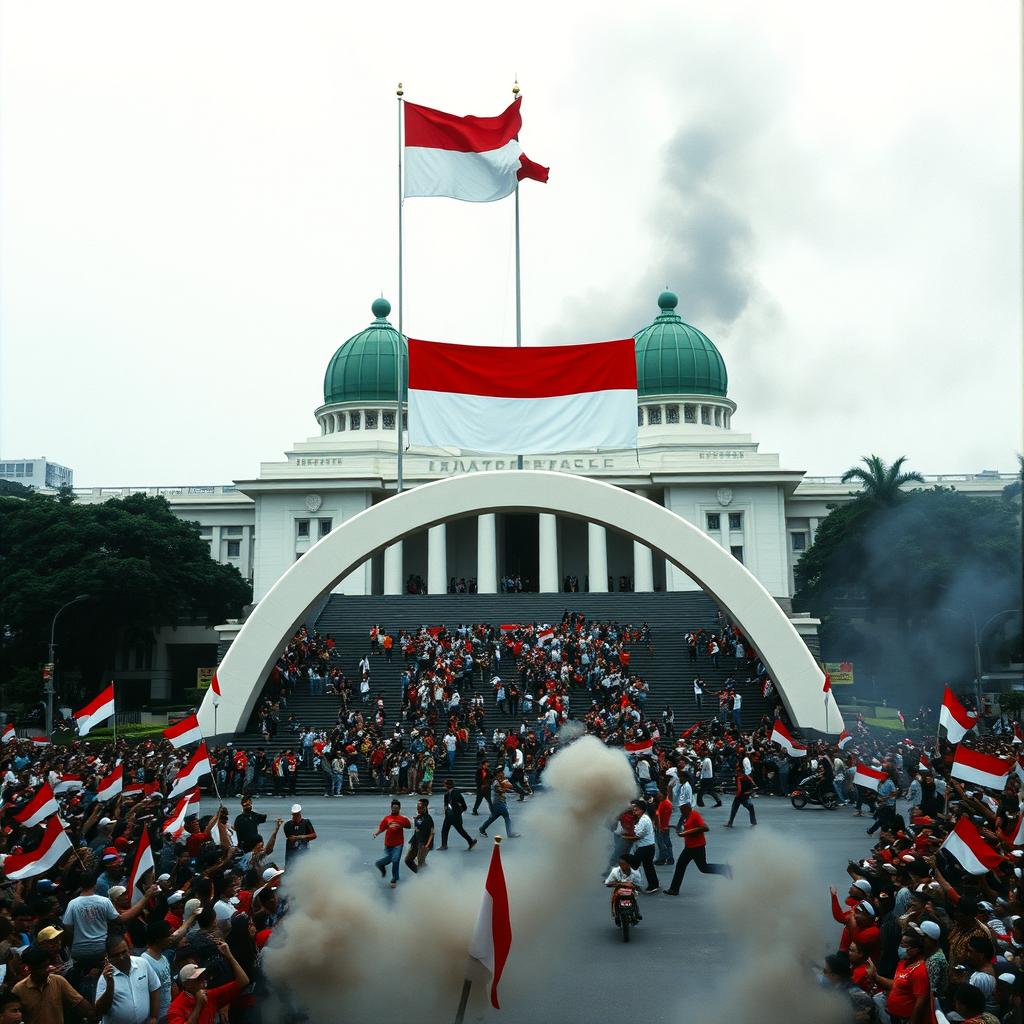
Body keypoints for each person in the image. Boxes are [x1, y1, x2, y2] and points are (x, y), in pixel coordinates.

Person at [166, 939, 249, 1024]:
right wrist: (199, 1005)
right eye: (198, 978)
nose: (203, 979)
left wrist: (229, 956)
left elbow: (243, 982)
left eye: (202, 975)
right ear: (187, 984)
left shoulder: (211, 995)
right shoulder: (176, 1007)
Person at [663, 800, 732, 896]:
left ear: (688, 808)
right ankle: (674, 889)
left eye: (682, 809)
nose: (680, 811)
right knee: (681, 866)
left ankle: (725, 869)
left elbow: (705, 827)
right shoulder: (685, 816)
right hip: (689, 847)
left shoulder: (694, 815)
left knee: (703, 868)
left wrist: (687, 833)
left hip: (697, 847)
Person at [94, 933, 161, 1024]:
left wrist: (153, 1017)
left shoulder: (142, 963)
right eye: (116, 955)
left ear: (129, 950)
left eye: (124, 952)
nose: (121, 957)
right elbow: (101, 1010)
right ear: (108, 957)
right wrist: (110, 985)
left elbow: (154, 987)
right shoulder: (105, 978)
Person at [867, 927, 931, 1024]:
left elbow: (921, 1001)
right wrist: (875, 977)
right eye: (900, 944)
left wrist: (912, 1022)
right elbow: (896, 984)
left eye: (904, 945)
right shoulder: (903, 963)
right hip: (895, 1016)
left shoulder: (920, 970)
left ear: (916, 949)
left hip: (906, 1019)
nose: (900, 947)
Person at [13, 946, 92, 1024]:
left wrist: (93, 1014)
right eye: (41, 968)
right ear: (31, 969)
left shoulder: (58, 981)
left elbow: (79, 1003)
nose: (46, 971)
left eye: (46, 966)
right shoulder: (19, 989)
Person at [622, 799, 660, 894]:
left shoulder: (643, 820)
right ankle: (653, 885)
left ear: (642, 810)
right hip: (648, 846)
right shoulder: (643, 818)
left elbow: (636, 836)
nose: (634, 811)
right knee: (648, 866)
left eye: (636, 809)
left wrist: (624, 837)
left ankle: (634, 884)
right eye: (634, 809)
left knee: (632, 863)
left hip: (645, 847)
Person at [373, 800, 412, 888]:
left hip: (398, 843)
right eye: (393, 808)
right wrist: (376, 833)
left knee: (395, 860)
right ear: (391, 808)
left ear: (399, 808)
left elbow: (409, 826)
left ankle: (394, 878)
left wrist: (403, 824)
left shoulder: (402, 818)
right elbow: (382, 828)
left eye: (397, 808)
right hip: (388, 843)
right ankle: (380, 864)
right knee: (390, 859)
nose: (395, 809)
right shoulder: (387, 818)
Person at [440, 779, 477, 851]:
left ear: (448, 785)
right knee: (445, 830)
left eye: (445, 784)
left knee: (460, 830)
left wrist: (458, 812)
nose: (444, 786)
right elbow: (446, 804)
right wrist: (446, 810)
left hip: (455, 816)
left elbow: (463, 805)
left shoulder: (456, 794)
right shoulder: (447, 794)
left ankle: (470, 841)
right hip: (449, 816)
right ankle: (444, 845)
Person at [604, 857, 643, 922]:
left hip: (630, 888)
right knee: (614, 897)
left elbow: (639, 882)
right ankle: (615, 913)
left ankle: (637, 912)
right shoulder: (615, 871)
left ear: (629, 864)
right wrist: (610, 883)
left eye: (625, 864)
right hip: (619, 889)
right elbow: (608, 882)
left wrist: (634, 885)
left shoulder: (635, 871)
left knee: (634, 897)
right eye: (621, 864)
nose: (623, 866)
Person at [404, 799, 435, 874]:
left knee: (420, 863)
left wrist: (427, 845)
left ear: (425, 807)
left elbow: (432, 833)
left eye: (420, 806)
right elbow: (417, 827)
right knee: (407, 860)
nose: (418, 808)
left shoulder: (428, 818)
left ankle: (427, 877)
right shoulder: (418, 817)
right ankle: (423, 875)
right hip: (415, 842)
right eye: (417, 806)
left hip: (423, 844)